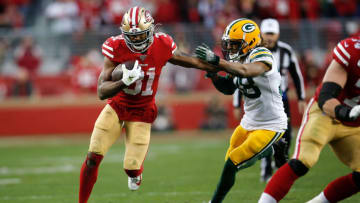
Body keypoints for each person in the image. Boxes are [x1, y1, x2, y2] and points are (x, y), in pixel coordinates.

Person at [78, 6, 215, 203]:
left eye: (140, 35)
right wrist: (123, 81)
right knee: (93, 157)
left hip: (142, 111)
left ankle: (136, 174)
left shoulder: (162, 44)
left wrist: (217, 65)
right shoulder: (116, 47)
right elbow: (101, 91)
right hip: (117, 106)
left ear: (151, 31)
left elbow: (187, 60)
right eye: (131, 37)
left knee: (131, 168)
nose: (135, 41)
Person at [194, 18, 288, 203]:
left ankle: (214, 202)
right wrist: (213, 75)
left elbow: (246, 71)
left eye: (235, 45)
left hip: (271, 124)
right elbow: (229, 88)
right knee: (230, 158)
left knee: (234, 162)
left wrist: (217, 61)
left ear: (250, 42)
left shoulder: (262, 54)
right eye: (229, 45)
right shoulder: (240, 59)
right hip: (249, 122)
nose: (231, 49)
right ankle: (271, 149)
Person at [258, 35, 360, 203]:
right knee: (304, 160)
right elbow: (326, 98)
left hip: (354, 124)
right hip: (326, 113)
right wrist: (346, 113)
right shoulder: (352, 52)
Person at [259, 18, 306, 182]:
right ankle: (266, 168)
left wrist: (301, 97)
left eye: (272, 33)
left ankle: (282, 165)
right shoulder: (255, 51)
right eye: (267, 33)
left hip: (282, 99)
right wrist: (237, 102)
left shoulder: (286, 51)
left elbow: (296, 74)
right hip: (262, 99)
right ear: (261, 34)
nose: (269, 37)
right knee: (265, 134)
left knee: (287, 133)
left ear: (278, 34)